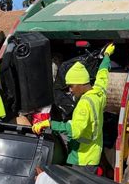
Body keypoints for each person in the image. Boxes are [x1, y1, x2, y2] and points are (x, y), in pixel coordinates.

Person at [32, 44, 115, 174]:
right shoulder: (99, 93)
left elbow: (75, 131)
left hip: (81, 159)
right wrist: (107, 56)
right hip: (93, 156)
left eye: (71, 86)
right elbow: (102, 74)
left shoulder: (84, 104)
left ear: (81, 83)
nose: (70, 90)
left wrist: (49, 124)